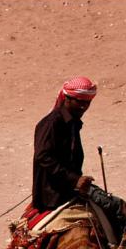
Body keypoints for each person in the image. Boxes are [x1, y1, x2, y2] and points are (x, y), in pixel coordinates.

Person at [31, 76, 98, 213]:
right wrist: (74, 179)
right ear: (67, 98)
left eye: (87, 103)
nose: (83, 106)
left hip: (70, 189)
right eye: (79, 101)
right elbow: (43, 156)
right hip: (52, 196)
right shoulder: (52, 123)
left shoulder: (72, 123)